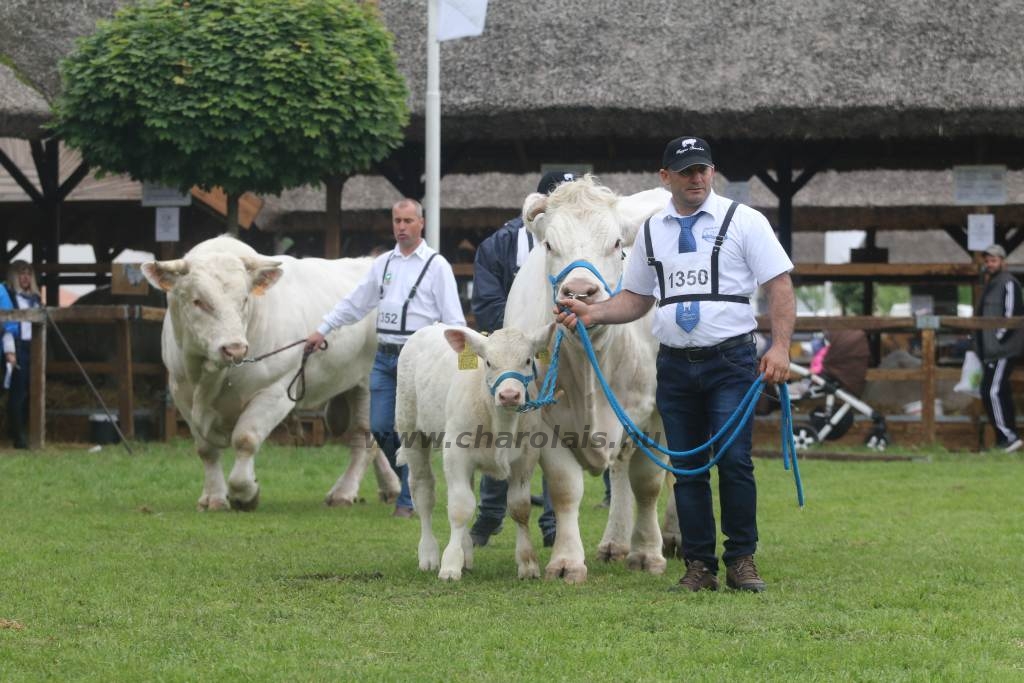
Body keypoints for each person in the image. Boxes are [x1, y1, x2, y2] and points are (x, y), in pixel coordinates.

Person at [555, 136, 795, 592]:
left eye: (702, 169)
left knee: (735, 462)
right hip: (677, 364)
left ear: (713, 172)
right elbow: (636, 298)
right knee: (686, 468)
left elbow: (779, 284)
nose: (696, 178)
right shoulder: (651, 231)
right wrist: (594, 312)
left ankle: (742, 559)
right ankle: (700, 564)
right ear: (665, 178)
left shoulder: (746, 221)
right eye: (685, 171)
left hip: (732, 359)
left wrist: (780, 347)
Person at [305, 199, 466, 517]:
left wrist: (456, 358)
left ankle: (408, 500)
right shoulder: (383, 265)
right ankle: (416, 476)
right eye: (397, 221)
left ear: (421, 223)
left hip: (419, 357)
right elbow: (355, 303)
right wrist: (322, 330)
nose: (402, 227)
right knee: (379, 428)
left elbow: (453, 318)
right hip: (384, 356)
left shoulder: (437, 266)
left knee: (409, 430)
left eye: (408, 221)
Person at [468, 170, 576, 548]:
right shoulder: (499, 244)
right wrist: (519, 344)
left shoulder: (580, 243)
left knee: (557, 432)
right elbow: (486, 301)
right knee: (499, 428)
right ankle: (490, 515)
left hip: (562, 353)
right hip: (511, 358)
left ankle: (552, 523)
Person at [975, 243, 1024, 453]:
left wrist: (997, 339)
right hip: (990, 350)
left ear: (1003, 262)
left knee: (992, 391)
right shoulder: (990, 284)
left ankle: (1008, 437)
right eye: (987, 261)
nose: (989, 264)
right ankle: (1006, 437)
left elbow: (1012, 315)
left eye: (993, 260)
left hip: (1003, 349)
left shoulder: (1009, 283)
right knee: (996, 391)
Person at [3, 261, 42, 449]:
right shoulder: (8, 296)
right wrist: (10, 351)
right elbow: (7, 327)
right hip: (16, 346)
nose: (25, 277)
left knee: (31, 391)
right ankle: (18, 436)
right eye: (21, 273)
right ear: (14, 276)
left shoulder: (35, 298)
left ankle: (28, 431)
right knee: (18, 392)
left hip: (33, 346)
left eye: (28, 273)